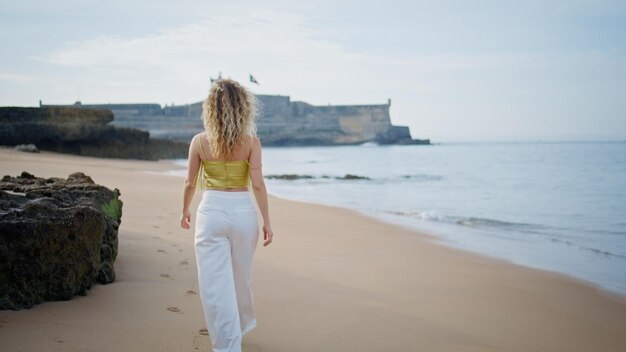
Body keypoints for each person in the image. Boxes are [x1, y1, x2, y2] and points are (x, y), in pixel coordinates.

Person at [180, 78, 274, 352]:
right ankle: (237, 330)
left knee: (214, 282)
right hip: (244, 213)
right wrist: (267, 221)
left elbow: (189, 183)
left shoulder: (199, 141)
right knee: (240, 276)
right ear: (243, 107)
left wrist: (185, 209)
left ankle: (228, 343)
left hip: (211, 212)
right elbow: (257, 183)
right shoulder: (252, 142)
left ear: (211, 108)